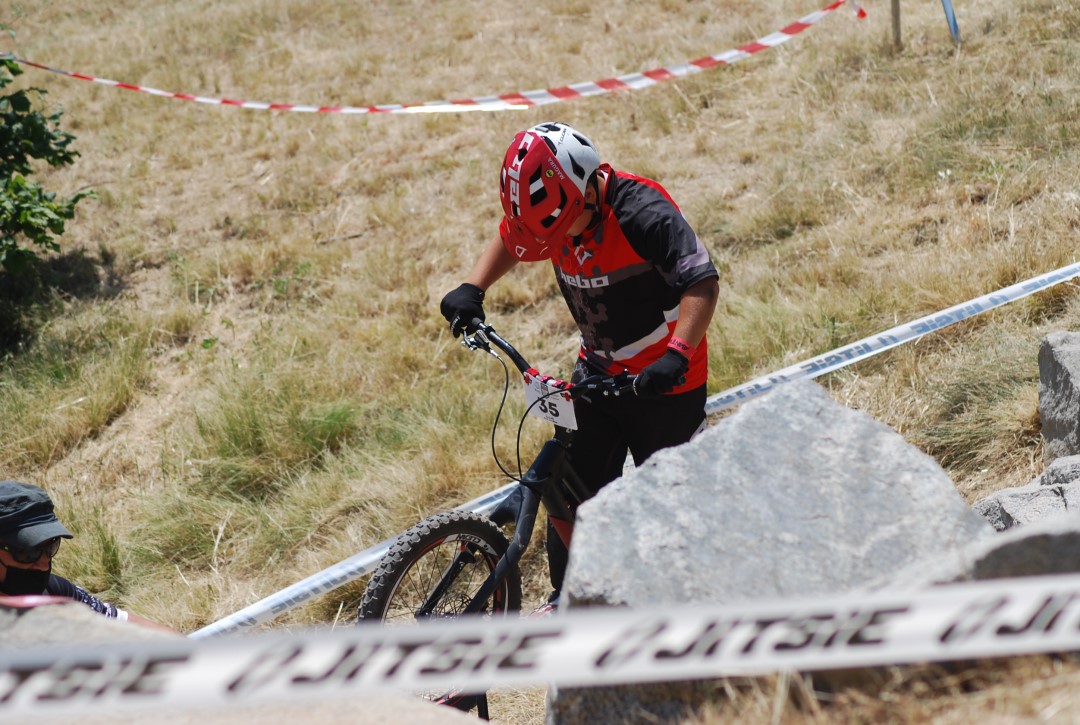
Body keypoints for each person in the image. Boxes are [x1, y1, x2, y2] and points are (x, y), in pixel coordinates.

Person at [440, 121, 720, 610]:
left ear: (587, 193)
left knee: (672, 508)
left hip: (664, 385)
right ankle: (569, 598)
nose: (550, 246)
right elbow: (514, 236)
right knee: (571, 491)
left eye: (556, 233)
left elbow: (702, 282)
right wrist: (473, 287)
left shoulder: (643, 212)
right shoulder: (556, 210)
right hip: (598, 373)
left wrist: (676, 355)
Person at [0, 480, 174, 631]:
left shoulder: (54, 591)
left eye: (51, 547)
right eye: (28, 553)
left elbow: (125, 625)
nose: (44, 564)